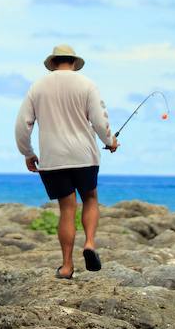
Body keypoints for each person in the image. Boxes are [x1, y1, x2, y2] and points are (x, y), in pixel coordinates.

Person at [14, 45, 118, 279]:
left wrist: (28, 152)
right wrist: (110, 141)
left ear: (53, 63)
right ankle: (89, 243)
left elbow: (22, 125)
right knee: (90, 198)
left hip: (53, 158)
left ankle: (67, 266)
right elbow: (100, 121)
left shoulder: (37, 87)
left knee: (66, 209)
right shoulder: (87, 84)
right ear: (73, 62)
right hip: (84, 155)